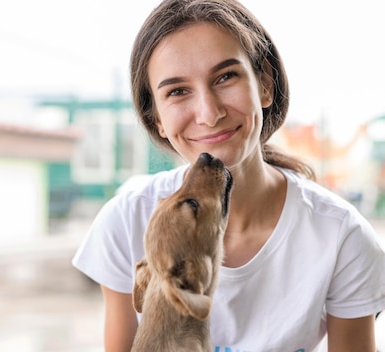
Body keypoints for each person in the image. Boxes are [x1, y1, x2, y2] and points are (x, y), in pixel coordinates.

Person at [72, 0, 385, 350]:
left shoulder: (341, 236)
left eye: (225, 77)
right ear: (157, 118)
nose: (209, 113)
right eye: (177, 91)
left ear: (265, 83)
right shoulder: (127, 221)